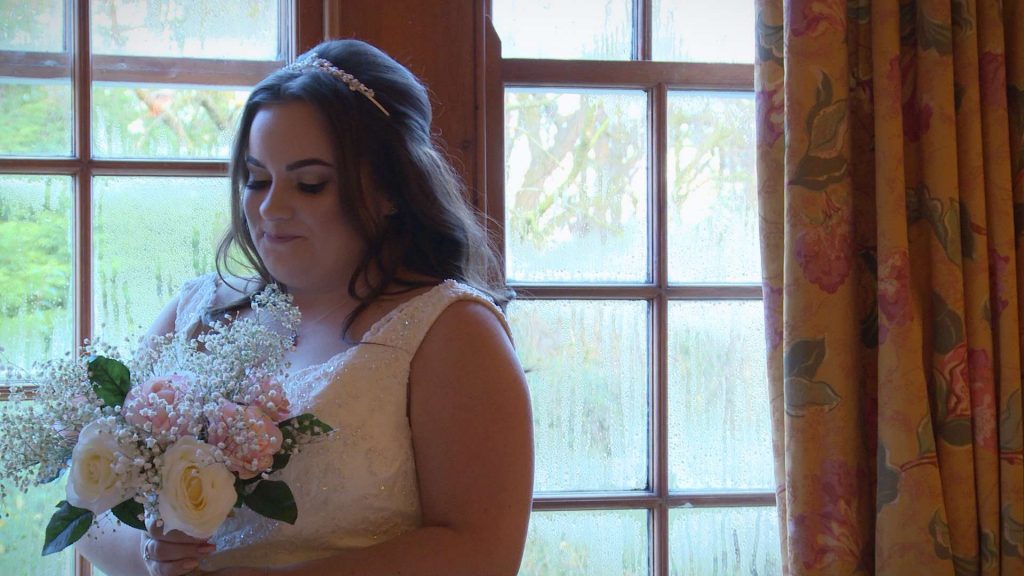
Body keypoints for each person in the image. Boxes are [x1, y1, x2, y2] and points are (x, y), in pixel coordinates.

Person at [76, 38, 534, 576]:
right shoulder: (196, 311)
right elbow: (87, 506)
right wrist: (152, 554)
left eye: (310, 184)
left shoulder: (450, 332)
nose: (271, 207)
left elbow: (482, 553)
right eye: (257, 179)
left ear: (391, 190)